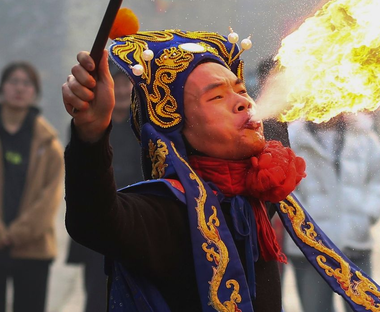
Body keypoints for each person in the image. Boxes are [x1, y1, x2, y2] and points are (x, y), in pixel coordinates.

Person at [62, 29, 307, 312]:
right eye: (216, 97)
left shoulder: (255, 193)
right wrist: (91, 133)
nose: (244, 102)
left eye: (241, 90)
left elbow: (274, 130)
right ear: (179, 129)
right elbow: (93, 221)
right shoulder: (165, 210)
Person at [286, 112, 380, 312]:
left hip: (355, 245)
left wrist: (366, 214)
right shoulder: (293, 138)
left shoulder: (361, 133)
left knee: (362, 308)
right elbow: (286, 190)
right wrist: (304, 223)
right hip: (310, 250)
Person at [66, 63, 140, 312]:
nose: (120, 91)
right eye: (115, 84)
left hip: (136, 222)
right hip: (98, 222)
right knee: (97, 295)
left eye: (125, 84)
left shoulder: (143, 127)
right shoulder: (89, 126)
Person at [0, 61, 64, 312]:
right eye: (14, 81)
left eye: (26, 83)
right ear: (3, 87)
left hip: (34, 248)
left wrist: (14, 234)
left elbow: (50, 199)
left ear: (35, 91)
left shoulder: (49, 144)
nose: (19, 88)